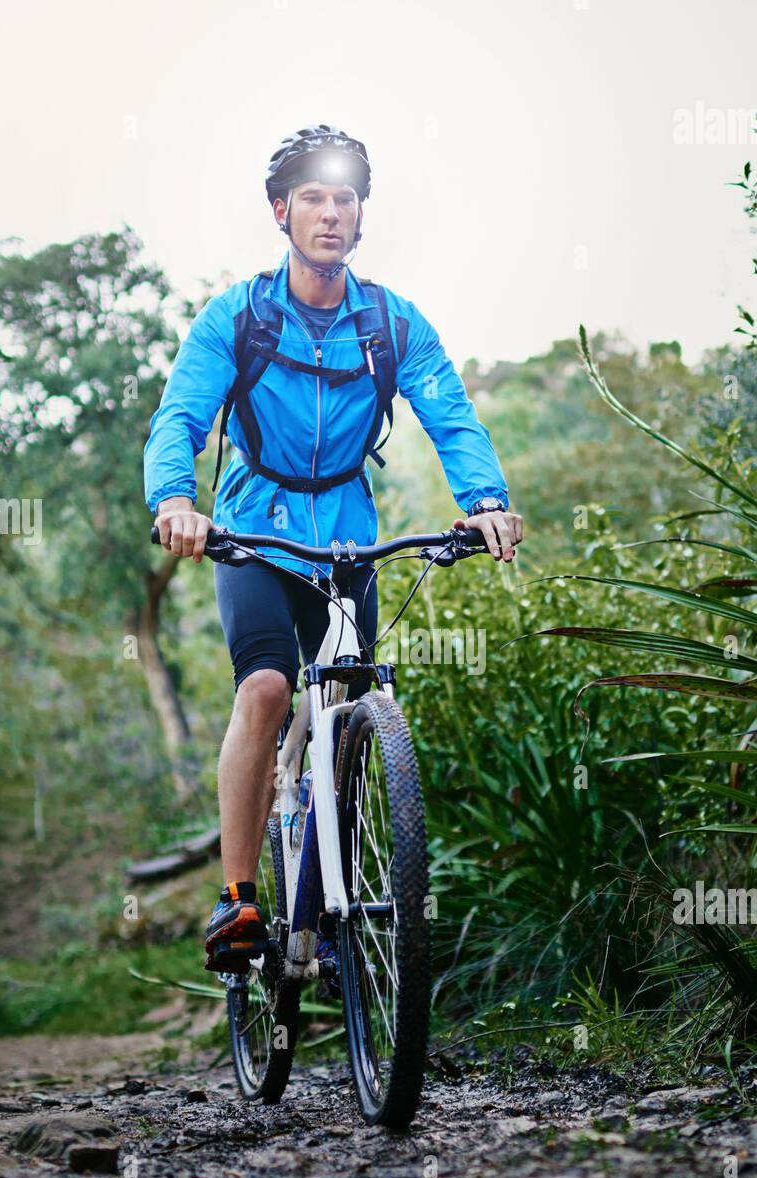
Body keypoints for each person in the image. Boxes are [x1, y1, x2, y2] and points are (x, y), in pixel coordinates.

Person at [144, 124, 523, 976]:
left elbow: (450, 414)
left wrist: (486, 502)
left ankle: (334, 873)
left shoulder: (391, 324)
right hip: (255, 534)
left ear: (361, 217)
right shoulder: (237, 316)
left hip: (349, 538)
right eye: (311, 196)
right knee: (270, 687)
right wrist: (175, 499)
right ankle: (240, 898)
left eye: (344, 198)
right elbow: (181, 417)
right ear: (280, 211)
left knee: (354, 704)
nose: (329, 212)